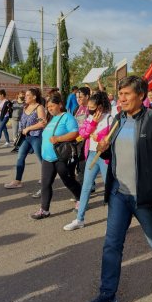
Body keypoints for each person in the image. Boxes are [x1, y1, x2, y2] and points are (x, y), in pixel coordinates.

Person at [85, 76, 152, 302]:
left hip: (144, 196)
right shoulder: (118, 120)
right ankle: (108, 295)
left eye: (127, 94)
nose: (122, 98)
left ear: (141, 96)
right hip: (118, 193)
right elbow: (113, 155)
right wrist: (105, 150)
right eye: (120, 93)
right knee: (111, 245)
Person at [63, 91, 112, 231]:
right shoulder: (90, 118)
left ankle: (115, 220)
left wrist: (98, 136)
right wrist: (93, 123)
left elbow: (107, 138)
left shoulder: (110, 119)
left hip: (104, 157)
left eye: (92, 107)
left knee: (110, 189)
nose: (89, 109)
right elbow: (83, 133)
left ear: (100, 107)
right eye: (89, 107)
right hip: (91, 154)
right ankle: (80, 219)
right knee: (85, 187)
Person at [31, 94, 82, 220]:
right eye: (48, 107)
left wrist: (59, 138)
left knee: (68, 181)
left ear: (60, 105)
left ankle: (81, 199)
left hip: (61, 157)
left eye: (52, 106)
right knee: (45, 184)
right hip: (47, 158)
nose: (50, 109)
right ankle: (44, 210)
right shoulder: (52, 119)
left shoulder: (67, 117)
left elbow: (75, 133)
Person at [4, 88, 46, 190]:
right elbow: (21, 122)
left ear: (34, 97)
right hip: (25, 137)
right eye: (25, 95)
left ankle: (46, 178)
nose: (24, 97)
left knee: (41, 159)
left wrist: (29, 128)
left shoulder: (39, 107)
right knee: (20, 157)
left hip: (36, 137)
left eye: (27, 95)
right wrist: (19, 134)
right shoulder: (25, 107)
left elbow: (43, 123)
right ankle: (17, 181)